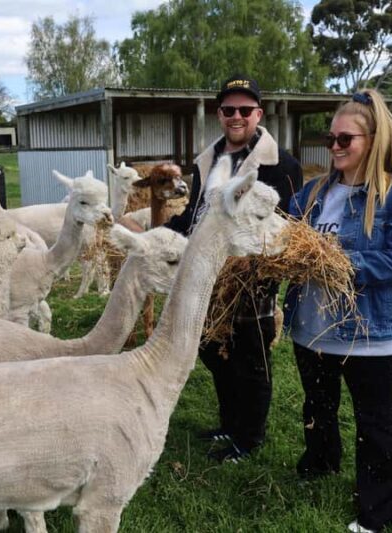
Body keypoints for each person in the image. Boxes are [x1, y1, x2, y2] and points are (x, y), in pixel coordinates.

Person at [283, 88, 392, 532]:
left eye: (346, 139)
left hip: (365, 331)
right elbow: (286, 244)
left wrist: (340, 263)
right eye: (331, 139)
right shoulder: (311, 194)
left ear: (374, 139)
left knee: (375, 418)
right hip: (311, 327)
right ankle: (320, 461)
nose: (335, 147)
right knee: (318, 404)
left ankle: (383, 506)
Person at [165, 74, 303, 463]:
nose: (236, 116)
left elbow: (284, 224)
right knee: (212, 349)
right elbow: (195, 214)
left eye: (245, 110)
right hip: (210, 274)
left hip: (253, 275)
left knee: (251, 357)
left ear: (258, 113)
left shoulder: (282, 165)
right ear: (220, 114)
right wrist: (156, 234)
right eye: (229, 110)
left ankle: (250, 436)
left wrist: (261, 270)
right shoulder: (208, 161)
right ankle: (230, 421)